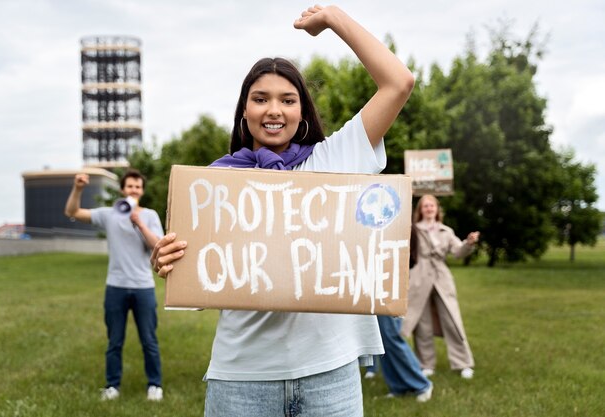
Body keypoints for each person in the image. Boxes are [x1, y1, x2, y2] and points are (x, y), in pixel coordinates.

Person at [151, 5, 415, 416]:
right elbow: (202, 282)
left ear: (302, 112)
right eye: (261, 99)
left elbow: (398, 83)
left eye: (287, 100)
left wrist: (333, 20)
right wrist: (169, 261)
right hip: (242, 378)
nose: (274, 110)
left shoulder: (334, 161)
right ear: (245, 110)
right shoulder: (215, 186)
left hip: (330, 374)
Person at [64, 169, 165, 401]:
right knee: (114, 341)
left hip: (143, 287)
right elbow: (72, 212)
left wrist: (139, 223)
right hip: (116, 287)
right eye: (130, 186)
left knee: (149, 340)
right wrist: (78, 188)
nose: (133, 190)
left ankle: (155, 385)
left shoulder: (149, 215)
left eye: (137, 187)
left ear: (142, 191)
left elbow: (157, 246)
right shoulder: (109, 214)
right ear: (123, 190)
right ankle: (112, 386)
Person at [402, 194, 480, 379]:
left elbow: (458, 252)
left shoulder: (446, 231)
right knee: (422, 324)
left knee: (452, 320)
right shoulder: (413, 230)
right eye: (425, 206)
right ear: (420, 210)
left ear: (437, 209)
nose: (429, 209)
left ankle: (463, 363)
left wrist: (468, 243)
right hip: (419, 280)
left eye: (432, 206)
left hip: (441, 279)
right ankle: (426, 364)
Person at [364, 226, 433, 402]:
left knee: (392, 335)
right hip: (374, 277)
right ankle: (398, 387)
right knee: (382, 339)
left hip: (390, 279)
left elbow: (410, 254)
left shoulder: (399, 219)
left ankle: (421, 383)